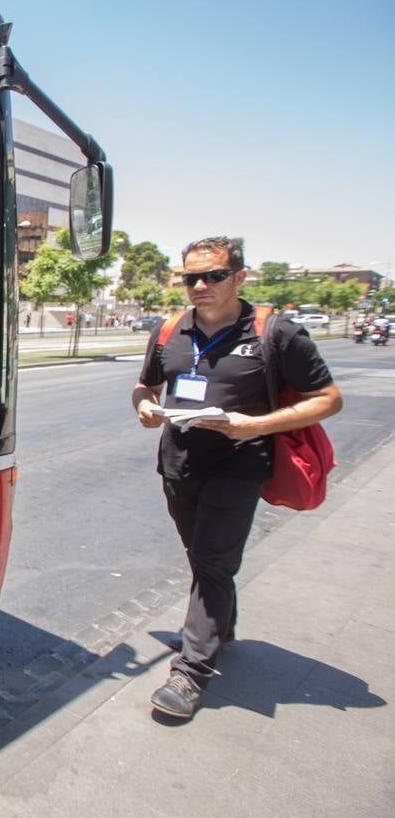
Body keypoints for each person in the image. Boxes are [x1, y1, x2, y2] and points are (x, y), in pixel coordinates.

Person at [132, 236, 342, 719]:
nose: (200, 286)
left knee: (209, 559)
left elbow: (328, 399)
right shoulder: (169, 330)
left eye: (214, 276)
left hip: (241, 464)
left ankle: (191, 671)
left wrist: (255, 425)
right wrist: (144, 404)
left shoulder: (276, 332)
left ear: (239, 277)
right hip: (179, 463)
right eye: (191, 278)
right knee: (203, 556)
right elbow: (146, 384)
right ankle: (219, 623)